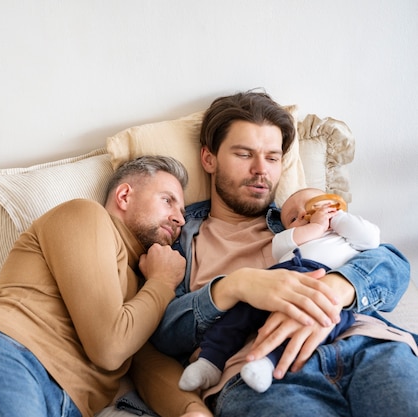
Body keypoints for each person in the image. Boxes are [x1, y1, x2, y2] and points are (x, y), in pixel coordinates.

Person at [128, 91, 417, 417]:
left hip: (365, 345)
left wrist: (339, 287)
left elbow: (391, 262)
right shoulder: (180, 238)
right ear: (209, 159)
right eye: (244, 154)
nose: (260, 170)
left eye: (272, 157)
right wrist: (234, 286)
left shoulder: (303, 217)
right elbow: (162, 334)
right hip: (259, 376)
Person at [0, 155, 200, 417]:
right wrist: (162, 282)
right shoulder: (84, 215)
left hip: (64, 404)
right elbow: (110, 347)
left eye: (183, 210)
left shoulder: (142, 288)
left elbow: (146, 362)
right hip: (6, 357)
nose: (180, 218)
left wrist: (192, 409)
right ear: (124, 196)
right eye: (168, 201)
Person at [178, 187, 381, 393]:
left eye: (312, 204)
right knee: (239, 314)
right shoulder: (289, 239)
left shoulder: (346, 234)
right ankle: (210, 361)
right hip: (280, 277)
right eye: (293, 218)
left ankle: (266, 363)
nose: (303, 214)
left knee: (312, 323)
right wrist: (317, 225)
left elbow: (372, 239)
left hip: (328, 285)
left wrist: (336, 218)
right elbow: (281, 244)